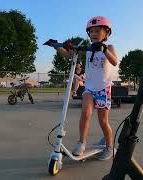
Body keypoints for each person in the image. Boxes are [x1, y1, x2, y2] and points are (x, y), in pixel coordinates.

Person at [47, 16, 118, 160]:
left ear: (106, 33)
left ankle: (110, 147)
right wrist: (57, 46)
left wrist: (104, 49)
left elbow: (114, 61)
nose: (94, 34)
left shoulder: (109, 47)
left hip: (104, 89)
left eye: (97, 31)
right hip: (89, 88)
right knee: (85, 113)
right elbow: (68, 55)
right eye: (91, 32)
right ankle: (82, 142)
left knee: (103, 121)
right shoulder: (88, 49)